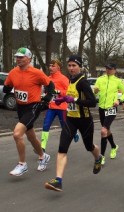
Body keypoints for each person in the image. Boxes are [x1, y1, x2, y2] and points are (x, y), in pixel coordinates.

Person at [45, 55, 102, 192]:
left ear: (80, 66)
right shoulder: (71, 79)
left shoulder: (83, 82)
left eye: (74, 65)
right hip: (70, 119)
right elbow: (70, 97)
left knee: (89, 146)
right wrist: (63, 99)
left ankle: (98, 157)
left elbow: (92, 102)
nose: (71, 68)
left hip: (84, 121)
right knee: (62, 148)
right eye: (69, 65)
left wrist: (74, 99)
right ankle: (58, 180)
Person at [3, 47, 54, 176]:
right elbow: (7, 86)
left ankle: (22, 164)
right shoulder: (13, 72)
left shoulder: (36, 73)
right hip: (20, 108)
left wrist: (47, 99)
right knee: (31, 137)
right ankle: (43, 156)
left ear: (29, 58)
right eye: (17, 57)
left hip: (33, 107)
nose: (18, 59)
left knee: (17, 134)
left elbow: (50, 85)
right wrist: (7, 88)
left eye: (21, 57)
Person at [40, 59, 79, 153]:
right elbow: (47, 92)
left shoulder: (63, 79)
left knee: (65, 127)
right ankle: (42, 148)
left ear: (58, 67)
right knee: (45, 126)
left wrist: (58, 91)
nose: (50, 68)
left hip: (62, 108)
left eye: (53, 66)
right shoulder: (48, 78)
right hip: (52, 107)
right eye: (50, 66)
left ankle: (74, 133)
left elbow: (69, 92)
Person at [94, 63, 124, 165]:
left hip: (111, 108)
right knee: (107, 130)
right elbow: (95, 91)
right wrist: (95, 91)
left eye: (110, 69)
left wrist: (119, 100)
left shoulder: (118, 81)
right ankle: (114, 146)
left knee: (103, 131)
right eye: (107, 68)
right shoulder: (100, 79)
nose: (108, 70)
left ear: (114, 70)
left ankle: (102, 156)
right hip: (101, 108)